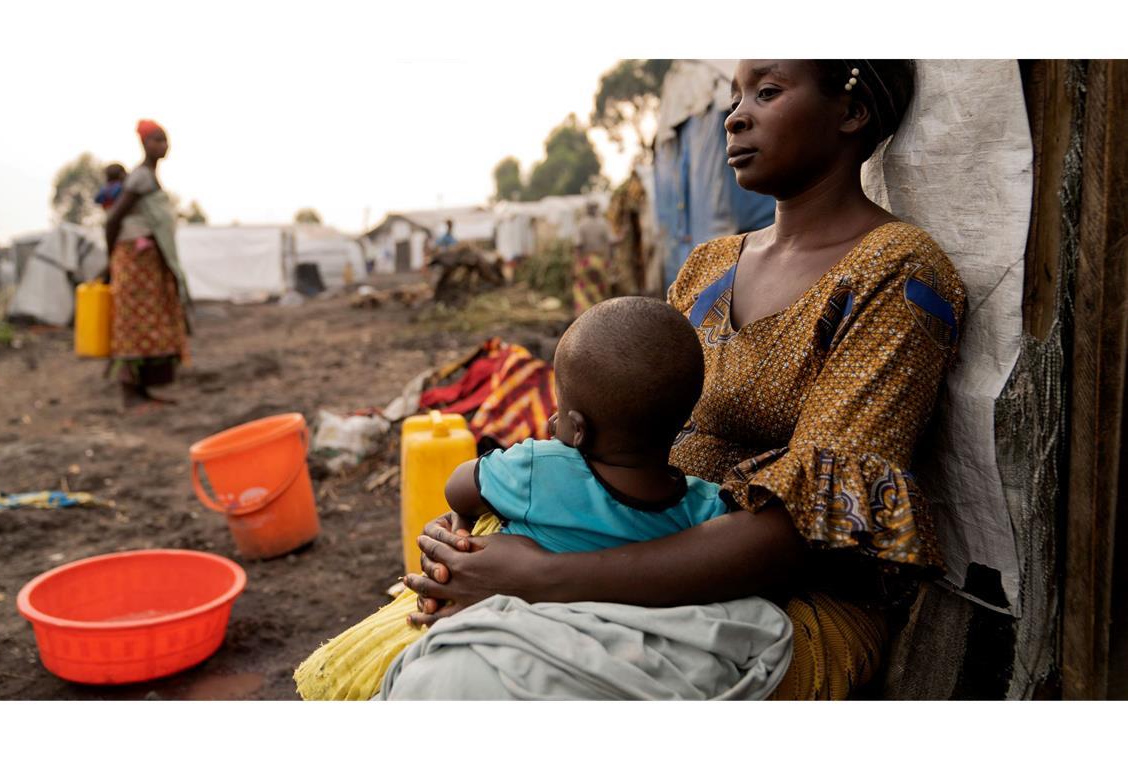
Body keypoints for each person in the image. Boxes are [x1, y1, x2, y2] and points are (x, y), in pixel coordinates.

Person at [356, 59, 968, 700]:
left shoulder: (897, 276)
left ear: (850, 111)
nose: (734, 116)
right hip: (607, 547)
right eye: (734, 95)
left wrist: (546, 576)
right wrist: (483, 536)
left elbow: (802, 540)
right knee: (403, 660)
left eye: (766, 91)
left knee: (464, 682)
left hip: (779, 602)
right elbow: (610, 428)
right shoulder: (708, 267)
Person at [295, 297, 796, 699]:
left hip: (511, 621)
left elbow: (458, 487)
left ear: (574, 428)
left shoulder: (540, 469)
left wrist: (470, 506)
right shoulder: (706, 506)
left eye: (559, 407)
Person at [103, 120, 192, 410]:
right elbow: (113, 220)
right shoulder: (140, 177)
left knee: (151, 323)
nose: (163, 145)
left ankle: (143, 390)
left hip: (149, 261)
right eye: (156, 140)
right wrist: (111, 260)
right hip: (134, 259)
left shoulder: (149, 177)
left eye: (165, 140)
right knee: (133, 324)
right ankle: (130, 392)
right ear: (144, 143)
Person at [572, 200, 618, 315]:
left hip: (585, 262)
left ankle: (584, 315)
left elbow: (578, 246)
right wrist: (623, 236)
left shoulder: (581, 224)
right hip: (599, 262)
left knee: (582, 289)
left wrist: (576, 264)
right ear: (596, 210)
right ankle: (601, 314)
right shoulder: (603, 223)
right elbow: (612, 242)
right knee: (600, 289)